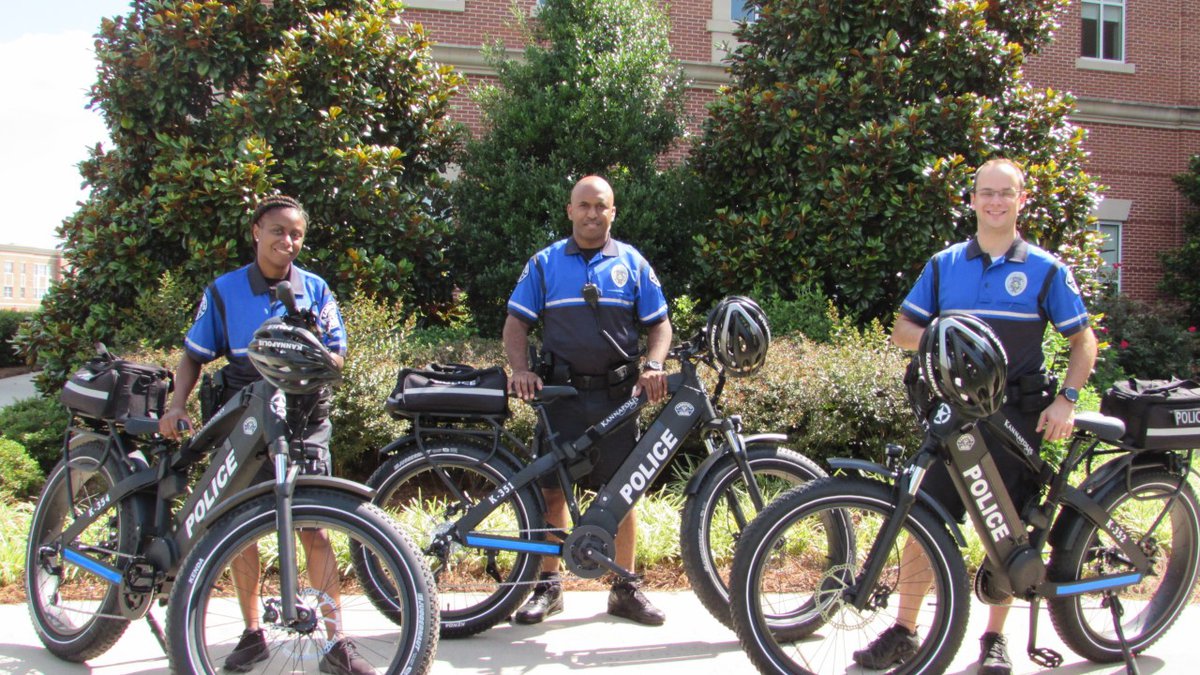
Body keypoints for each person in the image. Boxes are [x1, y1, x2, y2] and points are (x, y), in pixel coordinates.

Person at [856, 159, 1099, 674]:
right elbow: (902, 330)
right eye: (986, 193)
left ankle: (994, 639)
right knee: (923, 519)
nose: (995, 202)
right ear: (971, 200)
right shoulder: (944, 265)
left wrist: (1068, 399)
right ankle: (904, 631)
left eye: (1005, 193)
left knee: (1008, 531)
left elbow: (1083, 340)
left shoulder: (1046, 269)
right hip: (954, 415)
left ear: (1021, 200)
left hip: (1016, 418)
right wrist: (949, 337)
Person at [158, 196, 371, 674]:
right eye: (278, 231)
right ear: (256, 231)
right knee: (241, 529)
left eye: (296, 234)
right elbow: (194, 355)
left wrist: (311, 351)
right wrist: (176, 405)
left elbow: (338, 355)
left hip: (304, 416)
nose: (288, 241)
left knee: (314, 527)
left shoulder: (316, 288)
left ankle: (337, 643)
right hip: (246, 421)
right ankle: (253, 633)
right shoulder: (224, 291)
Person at [502, 175, 673, 626]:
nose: (592, 214)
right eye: (584, 205)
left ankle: (625, 589)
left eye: (601, 206)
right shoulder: (544, 264)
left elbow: (660, 324)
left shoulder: (633, 263)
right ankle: (548, 586)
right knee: (551, 493)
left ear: (613, 211)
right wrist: (521, 370)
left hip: (619, 398)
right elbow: (516, 323)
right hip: (561, 398)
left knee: (623, 495)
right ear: (570, 210)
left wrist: (654, 365)